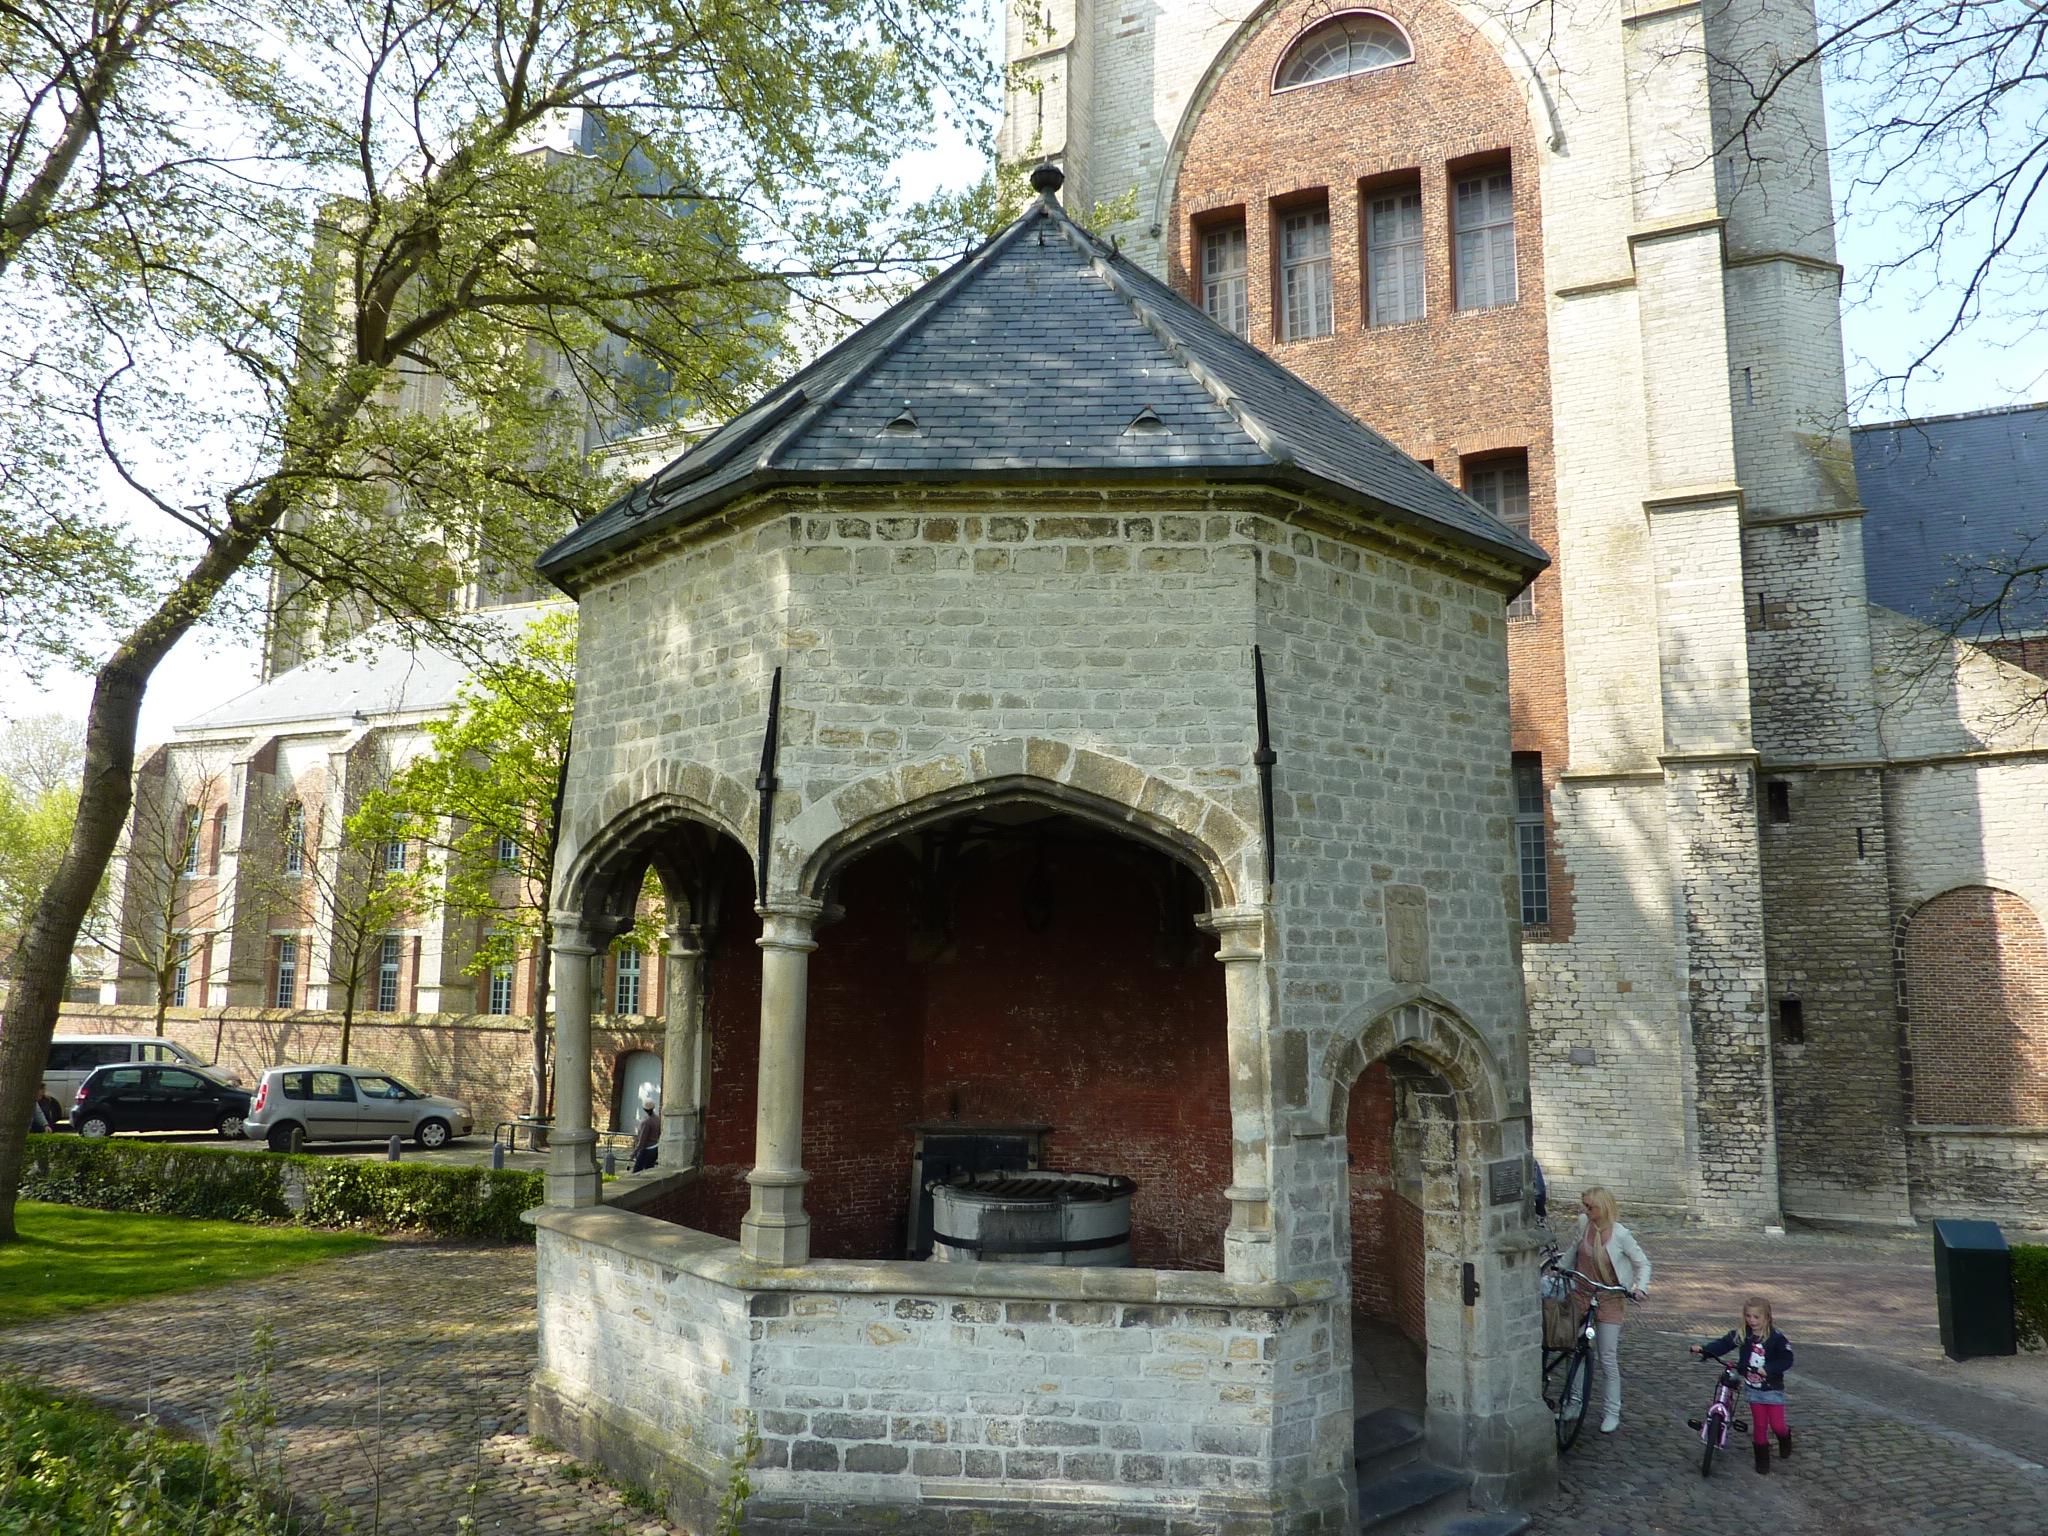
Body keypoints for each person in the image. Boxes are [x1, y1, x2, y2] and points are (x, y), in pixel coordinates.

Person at [1569, 1185, 1652, 1433]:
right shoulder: (1583, 1223)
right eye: (1584, 1205)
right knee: (1576, 1350)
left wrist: (1640, 1288)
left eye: (1590, 1206)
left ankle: (1611, 1411)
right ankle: (1573, 1402)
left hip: (1610, 1298)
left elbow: (1642, 1263)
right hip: (1582, 1293)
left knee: (1607, 1357)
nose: (1586, 1210)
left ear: (1603, 1207)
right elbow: (1574, 1249)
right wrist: (1561, 1269)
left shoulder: (1620, 1234)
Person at [1692, 1295, 1795, 1474]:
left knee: (1777, 1424)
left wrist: (1768, 1368)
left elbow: (1787, 1359)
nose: (1752, 1321)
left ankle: (1785, 1438)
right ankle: (1762, 1461)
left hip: (1772, 1388)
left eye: (1756, 1317)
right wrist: (1705, 1349)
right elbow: (1724, 1344)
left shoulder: (1777, 1338)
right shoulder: (1743, 1334)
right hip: (1753, 1389)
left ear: (1767, 1317)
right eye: (1748, 1316)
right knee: (1760, 1425)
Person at [628, 1085, 660, 1173]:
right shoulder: (657, 1118)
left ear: (644, 1109)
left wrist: (634, 1153)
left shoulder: (646, 1122)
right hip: (655, 1147)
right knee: (649, 1170)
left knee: (636, 1171)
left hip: (647, 1149)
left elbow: (642, 1140)